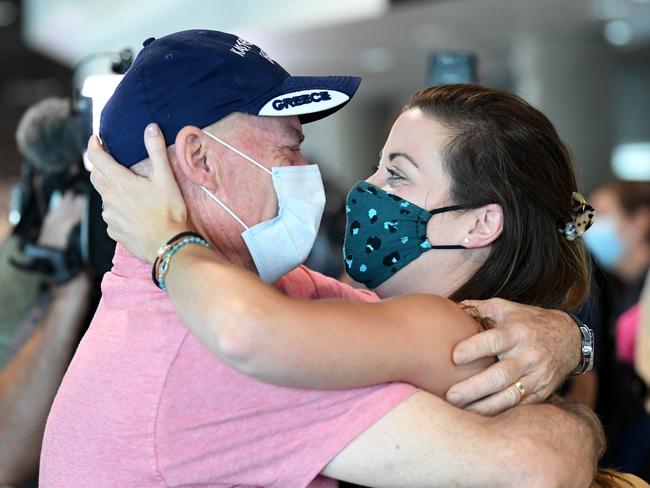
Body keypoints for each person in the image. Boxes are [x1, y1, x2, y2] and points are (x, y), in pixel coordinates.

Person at [42, 30, 599, 487]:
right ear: (200, 160)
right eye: (290, 148)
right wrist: (585, 421)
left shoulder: (260, 292)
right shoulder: (209, 342)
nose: (323, 177)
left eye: (396, 174)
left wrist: (569, 340)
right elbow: (535, 467)